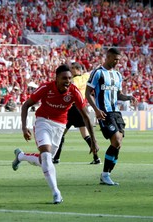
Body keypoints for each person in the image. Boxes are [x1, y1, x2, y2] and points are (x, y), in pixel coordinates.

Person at [11, 64, 99, 204]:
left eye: (69, 78)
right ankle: (56, 193)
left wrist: (94, 141)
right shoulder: (46, 88)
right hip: (43, 122)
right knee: (46, 156)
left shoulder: (73, 91)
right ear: (56, 78)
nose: (67, 81)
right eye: (64, 78)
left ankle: (21, 156)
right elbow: (26, 105)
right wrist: (24, 127)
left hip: (60, 126)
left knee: (45, 161)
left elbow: (86, 116)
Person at [85, 48, 137, 186]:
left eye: (119, 60)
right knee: (117, 140)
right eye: (115, 59)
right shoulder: (98, 73)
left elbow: (119, 94)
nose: (117, 62)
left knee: (118, 145)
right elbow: (87, 93)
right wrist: (96, 110)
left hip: (116, 112)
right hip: (104, 112)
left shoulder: (118, 75)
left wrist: (128, 97)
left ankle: (107, 174)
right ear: (107, 57)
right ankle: (105, 174)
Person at [53, 62, 101, 165]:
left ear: (77, 70)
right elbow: (91, 71)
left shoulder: (75, 80)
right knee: (85, 135)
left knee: (61, 134)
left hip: (73, 108)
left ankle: (56, 158)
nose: (70, 71)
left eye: (72, 69)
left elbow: (70, 87)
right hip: (81, 108)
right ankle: (96, 158)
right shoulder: (86, 76)